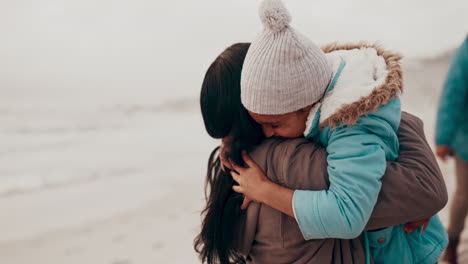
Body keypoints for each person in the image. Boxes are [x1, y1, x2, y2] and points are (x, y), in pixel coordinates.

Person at [227, 0, 447, 263]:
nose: (267, 134)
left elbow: (346, 215)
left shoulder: (351, 127)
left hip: (396, 251)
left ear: (306, 105)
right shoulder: (319, 91)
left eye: (274, 124)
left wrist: (264, 190)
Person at [436, 36, 468, 264]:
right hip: (466, 140)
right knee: (464, 196)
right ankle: (452, 243)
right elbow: (453, 93)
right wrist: (443, 138)